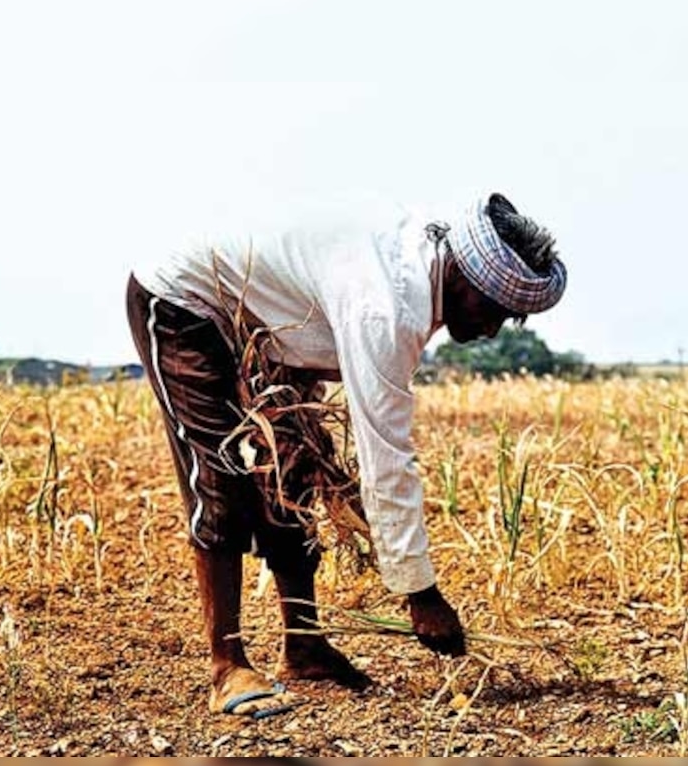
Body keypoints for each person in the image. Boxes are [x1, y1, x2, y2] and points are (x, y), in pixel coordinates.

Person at [125, 193, 567, 718]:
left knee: (295, 470)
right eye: (493, 310)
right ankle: (227, 666)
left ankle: (304, 646)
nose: (492, 329)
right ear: (465, 279)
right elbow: (387, 458)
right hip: (185, 301)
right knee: (220, 478)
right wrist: (419, 593)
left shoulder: (418, 269)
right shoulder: (388, 306)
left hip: (270, 320)